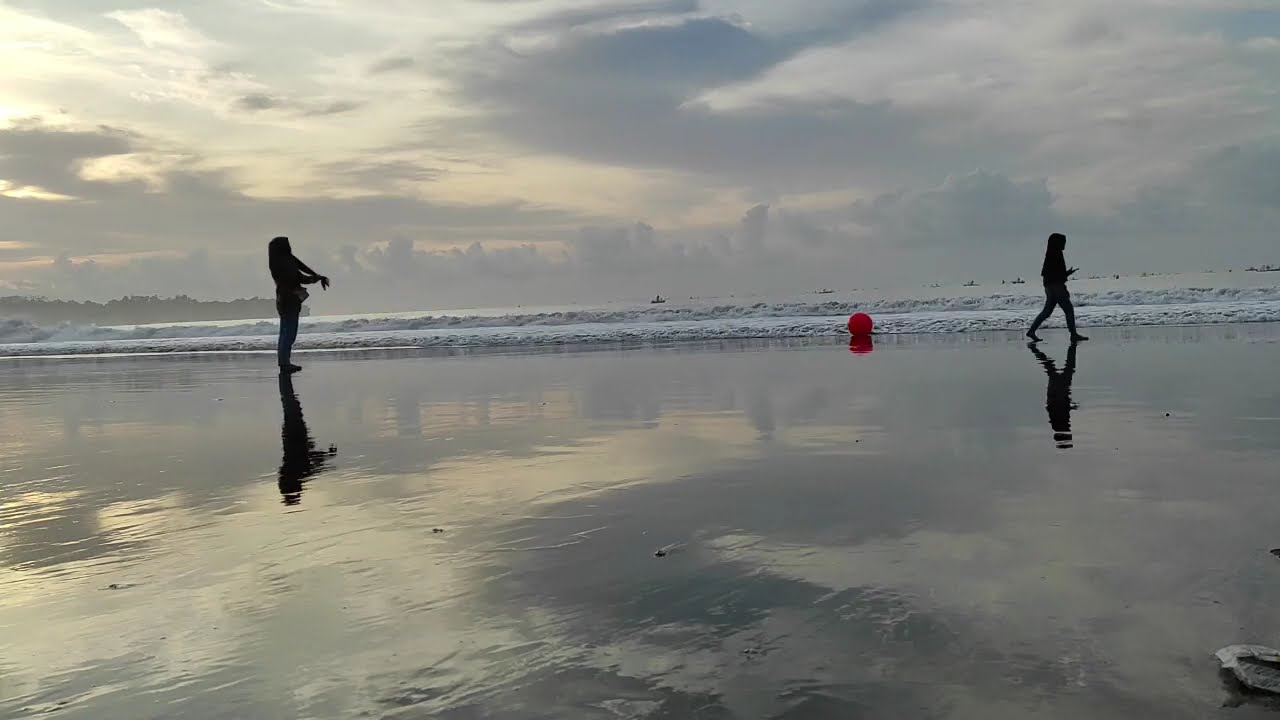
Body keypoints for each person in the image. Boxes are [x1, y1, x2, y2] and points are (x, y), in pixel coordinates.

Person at [268, 236, 329, 373]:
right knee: (289, 333)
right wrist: (316, 278)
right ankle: (285, 363)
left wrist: (316, 276)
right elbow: (299, 277)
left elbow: (301, 266)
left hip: (282, 300)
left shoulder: (277, 261)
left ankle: (284, 362)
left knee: (284, 332)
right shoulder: (286, 262)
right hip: (290, 300)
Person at [278, 372, 337, 505]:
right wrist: (326, 457)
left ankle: (285, 380)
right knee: (291, 408)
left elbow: (312, 462)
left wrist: (327, 456)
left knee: (292, 408)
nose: (301, 490)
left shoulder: (295, 472)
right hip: (292, 437)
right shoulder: (296, 472)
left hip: (294, 437)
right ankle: (284, 379)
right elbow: (312, 462)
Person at [1026, 232, 1088, 343]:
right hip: (1056, 286)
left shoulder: (1050, 254)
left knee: (1047, 311)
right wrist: (1066, 274)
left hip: (1049, 287)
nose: (1064, 244)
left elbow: (1050, 274)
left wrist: (1066, 273)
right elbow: (1057, 275)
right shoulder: (1057, 254)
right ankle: (1073, 334)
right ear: (1057, 243)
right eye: (1063, 242)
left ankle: (1031, 331)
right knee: (1069, 309)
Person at [1029, 342, 1078, 449]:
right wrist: (1070, 405)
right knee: (1052, 367)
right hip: (1057, 393)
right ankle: (1034, 350)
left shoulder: (1060, 424)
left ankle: (1035, 350)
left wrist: (1070, 405)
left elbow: (1060, 408)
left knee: (1061, 367)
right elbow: (1059, 408)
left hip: (1059, 391)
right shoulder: (1059, 424)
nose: (1070, 431)